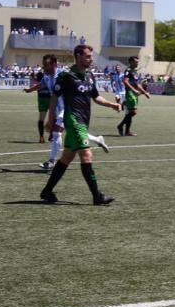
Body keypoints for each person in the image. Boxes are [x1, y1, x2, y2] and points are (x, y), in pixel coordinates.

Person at [39, 44, 120, 205]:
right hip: (74, 121)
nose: (92, 59)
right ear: (78, 56)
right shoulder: (66, 76)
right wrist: (51, 119)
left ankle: (47, 192)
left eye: (91, 56)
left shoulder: (89, 76)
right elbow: (55, 97)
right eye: (88, 56)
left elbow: (96, 97)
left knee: (66, 158)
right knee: (87, 155)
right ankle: (97, 196)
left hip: (84, 121)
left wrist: (112, 104)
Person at [36, 54, 65, 170]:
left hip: (68, 108)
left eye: (46, 65)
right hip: (57, 109)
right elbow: (41, 84)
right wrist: (30, 90)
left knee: (56, 132)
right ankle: (98, 140)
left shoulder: (63, 75)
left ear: (54, 64)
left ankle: (52, 161)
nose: (43, 68)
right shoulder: (46, 77)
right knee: (77, 134)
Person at [116, 57, 151, 137]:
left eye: (137, 62)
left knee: (129, 113)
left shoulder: (135, 71)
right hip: (130, 93)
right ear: (131, 62)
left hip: (135, 93)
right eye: (135, 62)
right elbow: (125, 81)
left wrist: (145, 92)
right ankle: (120, 126)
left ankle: (127, 131)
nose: (137, 63)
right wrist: (133, 90)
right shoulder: (128, 70)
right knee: (133, 112)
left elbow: (137, 84)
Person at [23, 65, 53, 142]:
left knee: (42, 119)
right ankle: (51, 135)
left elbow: (38, 85)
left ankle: (42, 137)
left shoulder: (42, 80)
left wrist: (29, 90)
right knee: (53, 118)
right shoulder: (48, 78)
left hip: (43, 100)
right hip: (50, 100)